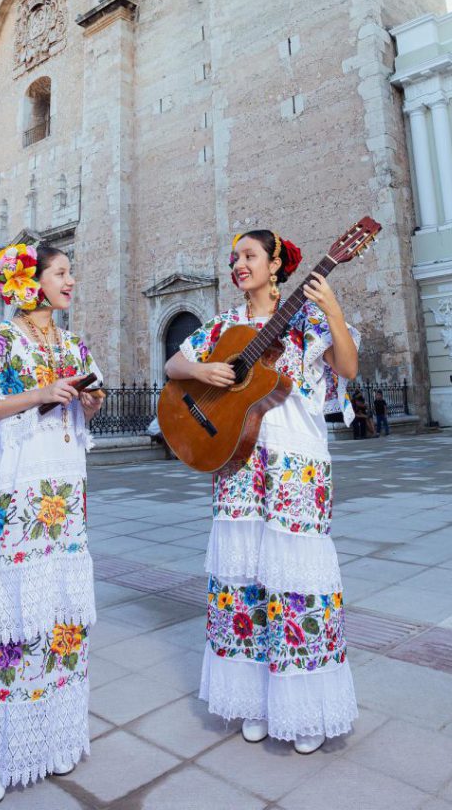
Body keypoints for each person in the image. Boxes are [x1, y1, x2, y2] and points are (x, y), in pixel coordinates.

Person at [165, 229, 360, 754]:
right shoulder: (225, 325)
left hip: (296, 461)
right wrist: (202, 367)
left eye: (249, 256)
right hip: (237, 463)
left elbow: (347, 368)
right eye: (234, 258)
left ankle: (305, 707)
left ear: (276, 265)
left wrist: (335, 312)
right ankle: (252, 700)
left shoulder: (305, 318)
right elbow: (173, 365)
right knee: (244, 582)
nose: (238, 264)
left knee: (297, 582)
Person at [0, 242, 104, 804]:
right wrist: (38, 393)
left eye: (71, 271)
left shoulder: (71, 344)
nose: (71, 280)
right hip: (15, 492)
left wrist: (89, 402)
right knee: (10, 623)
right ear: (31, 281)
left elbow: (91, 397)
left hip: (63, 489)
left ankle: (56, 737)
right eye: (62, 272)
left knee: (61, 615)